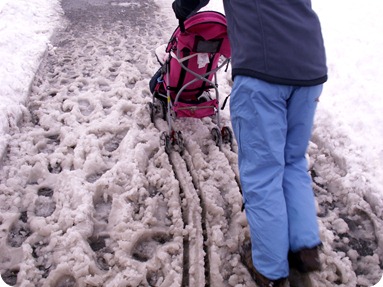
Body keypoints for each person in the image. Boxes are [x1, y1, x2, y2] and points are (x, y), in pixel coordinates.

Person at [172, 0, 327, 286]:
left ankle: (270, 270)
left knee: (263, 173)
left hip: (262, 72)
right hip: (310, 64)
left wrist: (181, 9)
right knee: (293, 160)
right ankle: (305, 247)